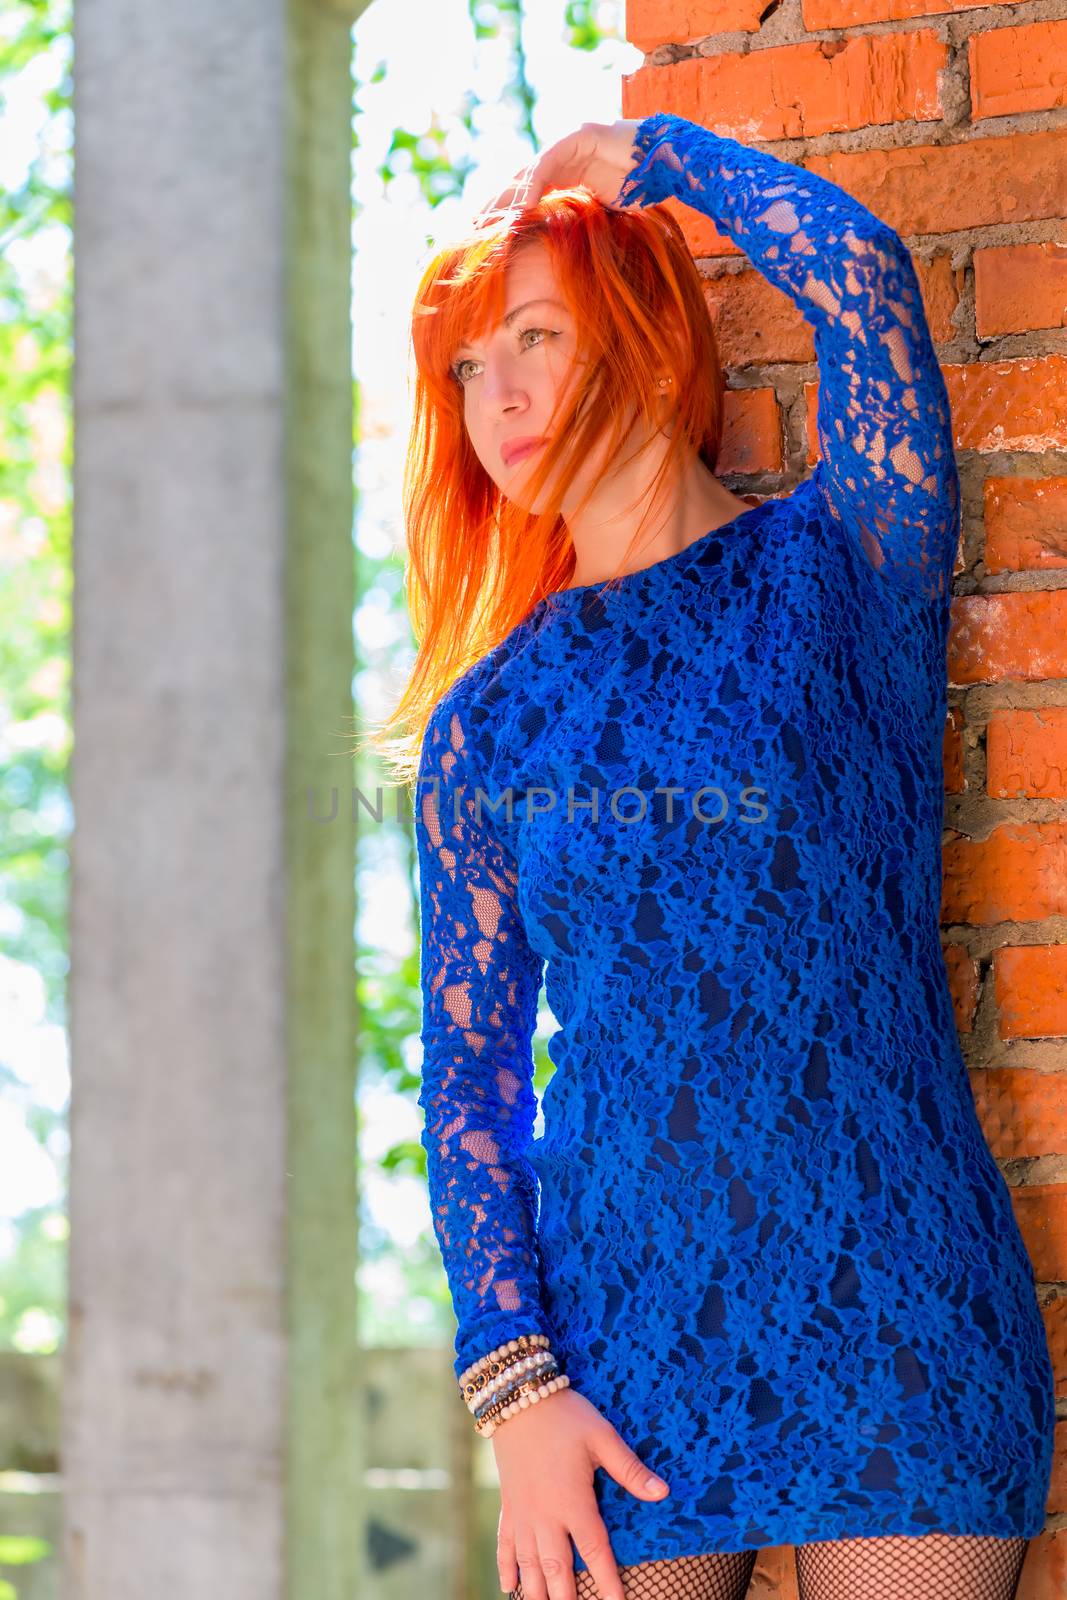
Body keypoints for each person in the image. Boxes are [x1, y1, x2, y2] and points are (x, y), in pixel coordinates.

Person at [397, 114, 1056, 1600]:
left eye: (535, 339)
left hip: (901, 1307)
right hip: (621, 1356)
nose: (494, 396)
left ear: (637, 334)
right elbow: (469, 1081)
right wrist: (517, 1393)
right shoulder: (487, 728)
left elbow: (868, 282)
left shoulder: (846, 564)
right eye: (464, 369)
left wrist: (650, 156)